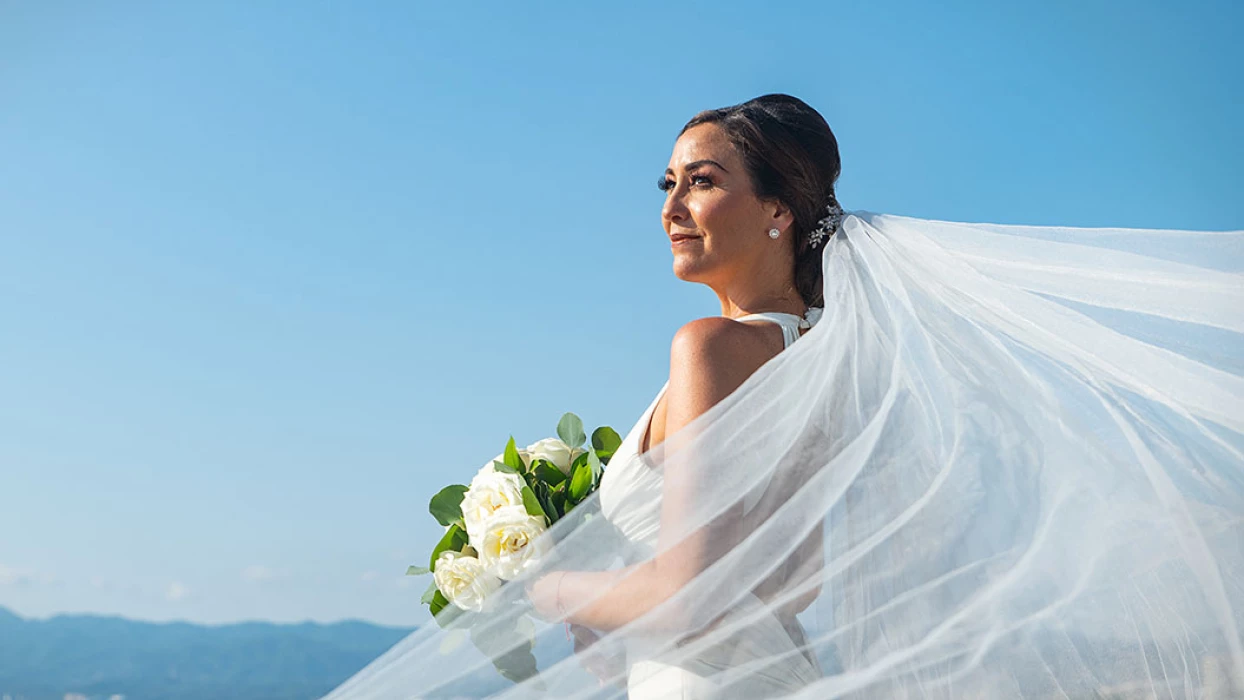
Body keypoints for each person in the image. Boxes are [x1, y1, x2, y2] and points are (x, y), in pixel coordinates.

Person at [325, 95, 1243, 699]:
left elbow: (689, 599)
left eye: (705, 180)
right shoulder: (839, 364)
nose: (672, 206)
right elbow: (790, 579)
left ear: (778, 212)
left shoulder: (712, 349)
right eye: (669, 184)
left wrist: (550, 585)